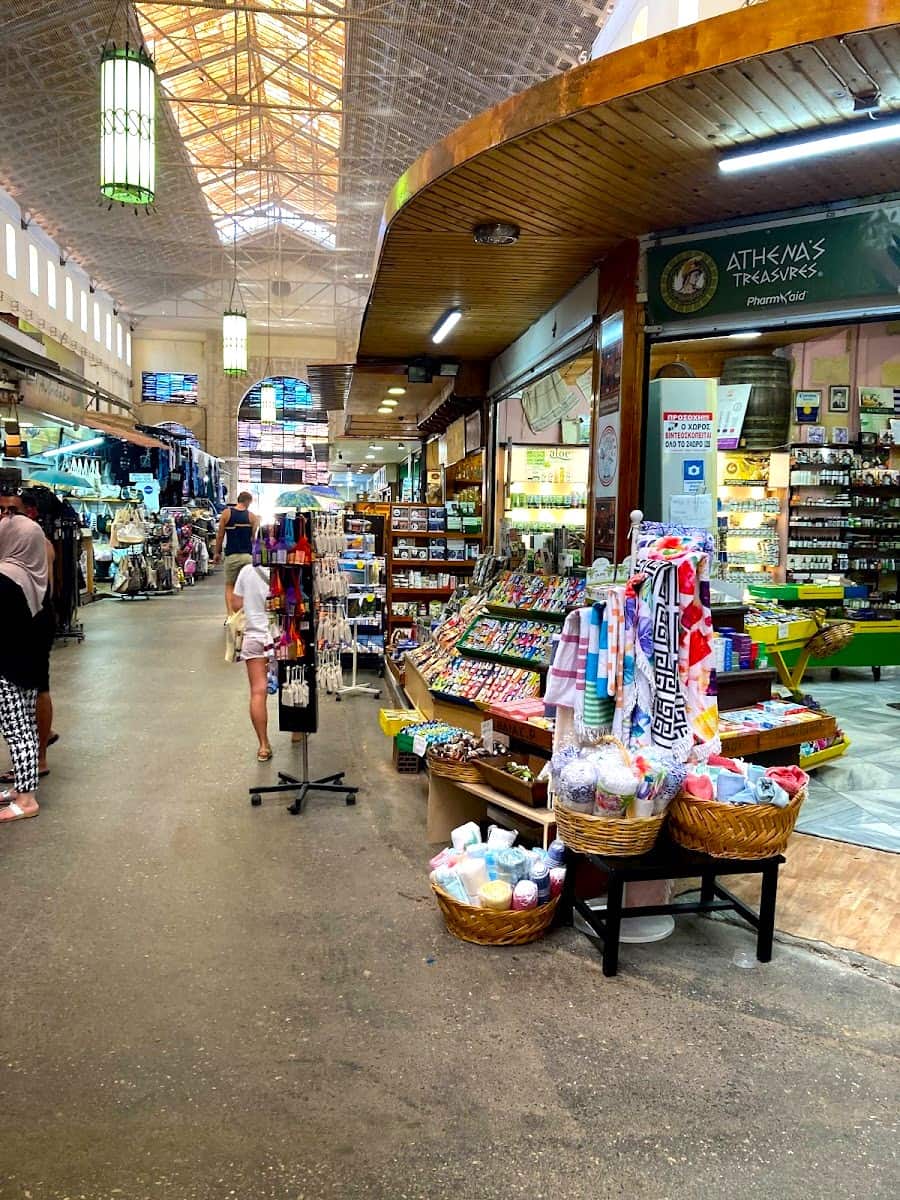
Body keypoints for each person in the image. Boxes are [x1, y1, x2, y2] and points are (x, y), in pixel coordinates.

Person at [0, 488, 57, 780]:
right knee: (30, 691)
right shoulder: (30, 542)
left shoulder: (36, 542)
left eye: (13, 511)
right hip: (34, 616)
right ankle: (35, 754)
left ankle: (38, 758)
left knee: (32, 690)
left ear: (30, 512)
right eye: (2, 511)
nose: (6, 517)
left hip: (34, 618)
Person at [0, 512, 48, 822]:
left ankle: (27, 798)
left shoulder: (4, 575)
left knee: (17, 732)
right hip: (29, 660)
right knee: (25, 728)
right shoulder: (33, 571)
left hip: (7, 664)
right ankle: (22, 789)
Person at [231, 560, 273, 762]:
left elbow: (236, 604)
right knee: (294, 683)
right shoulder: (286, 568)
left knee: (258, 691)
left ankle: (263, 745)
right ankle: (297, 732)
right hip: (282, 637)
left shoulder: (246, 571)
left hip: (254, 637)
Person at [213, 491, 259, 616]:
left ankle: (230, 616)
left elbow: (220, 536)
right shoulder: (252, 517)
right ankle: (244, 614)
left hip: (232, 555)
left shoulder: (226, 514)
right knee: (246, 587)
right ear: (248, 501)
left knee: (230, 586)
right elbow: (253, 540)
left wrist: (217, 553)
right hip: (247, 557)